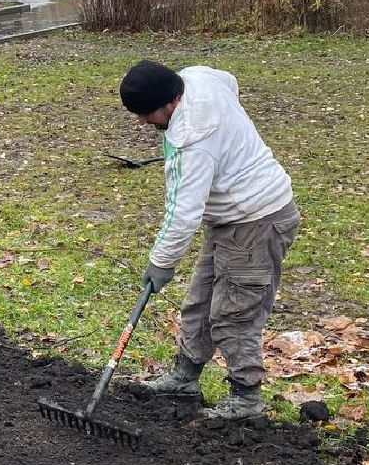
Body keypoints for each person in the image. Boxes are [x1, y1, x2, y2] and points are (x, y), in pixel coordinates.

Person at [119, 59, 300, 421]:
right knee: (200, 303)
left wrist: (161, 262)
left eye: (146, 115)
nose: (143, 123)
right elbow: (230, 80)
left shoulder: (191, 142)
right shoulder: (197, 77)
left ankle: (246, 400)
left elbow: (182, 214)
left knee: (234, 314)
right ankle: (185, 379)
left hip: (259, 219)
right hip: (228, 218)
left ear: (170, 103)